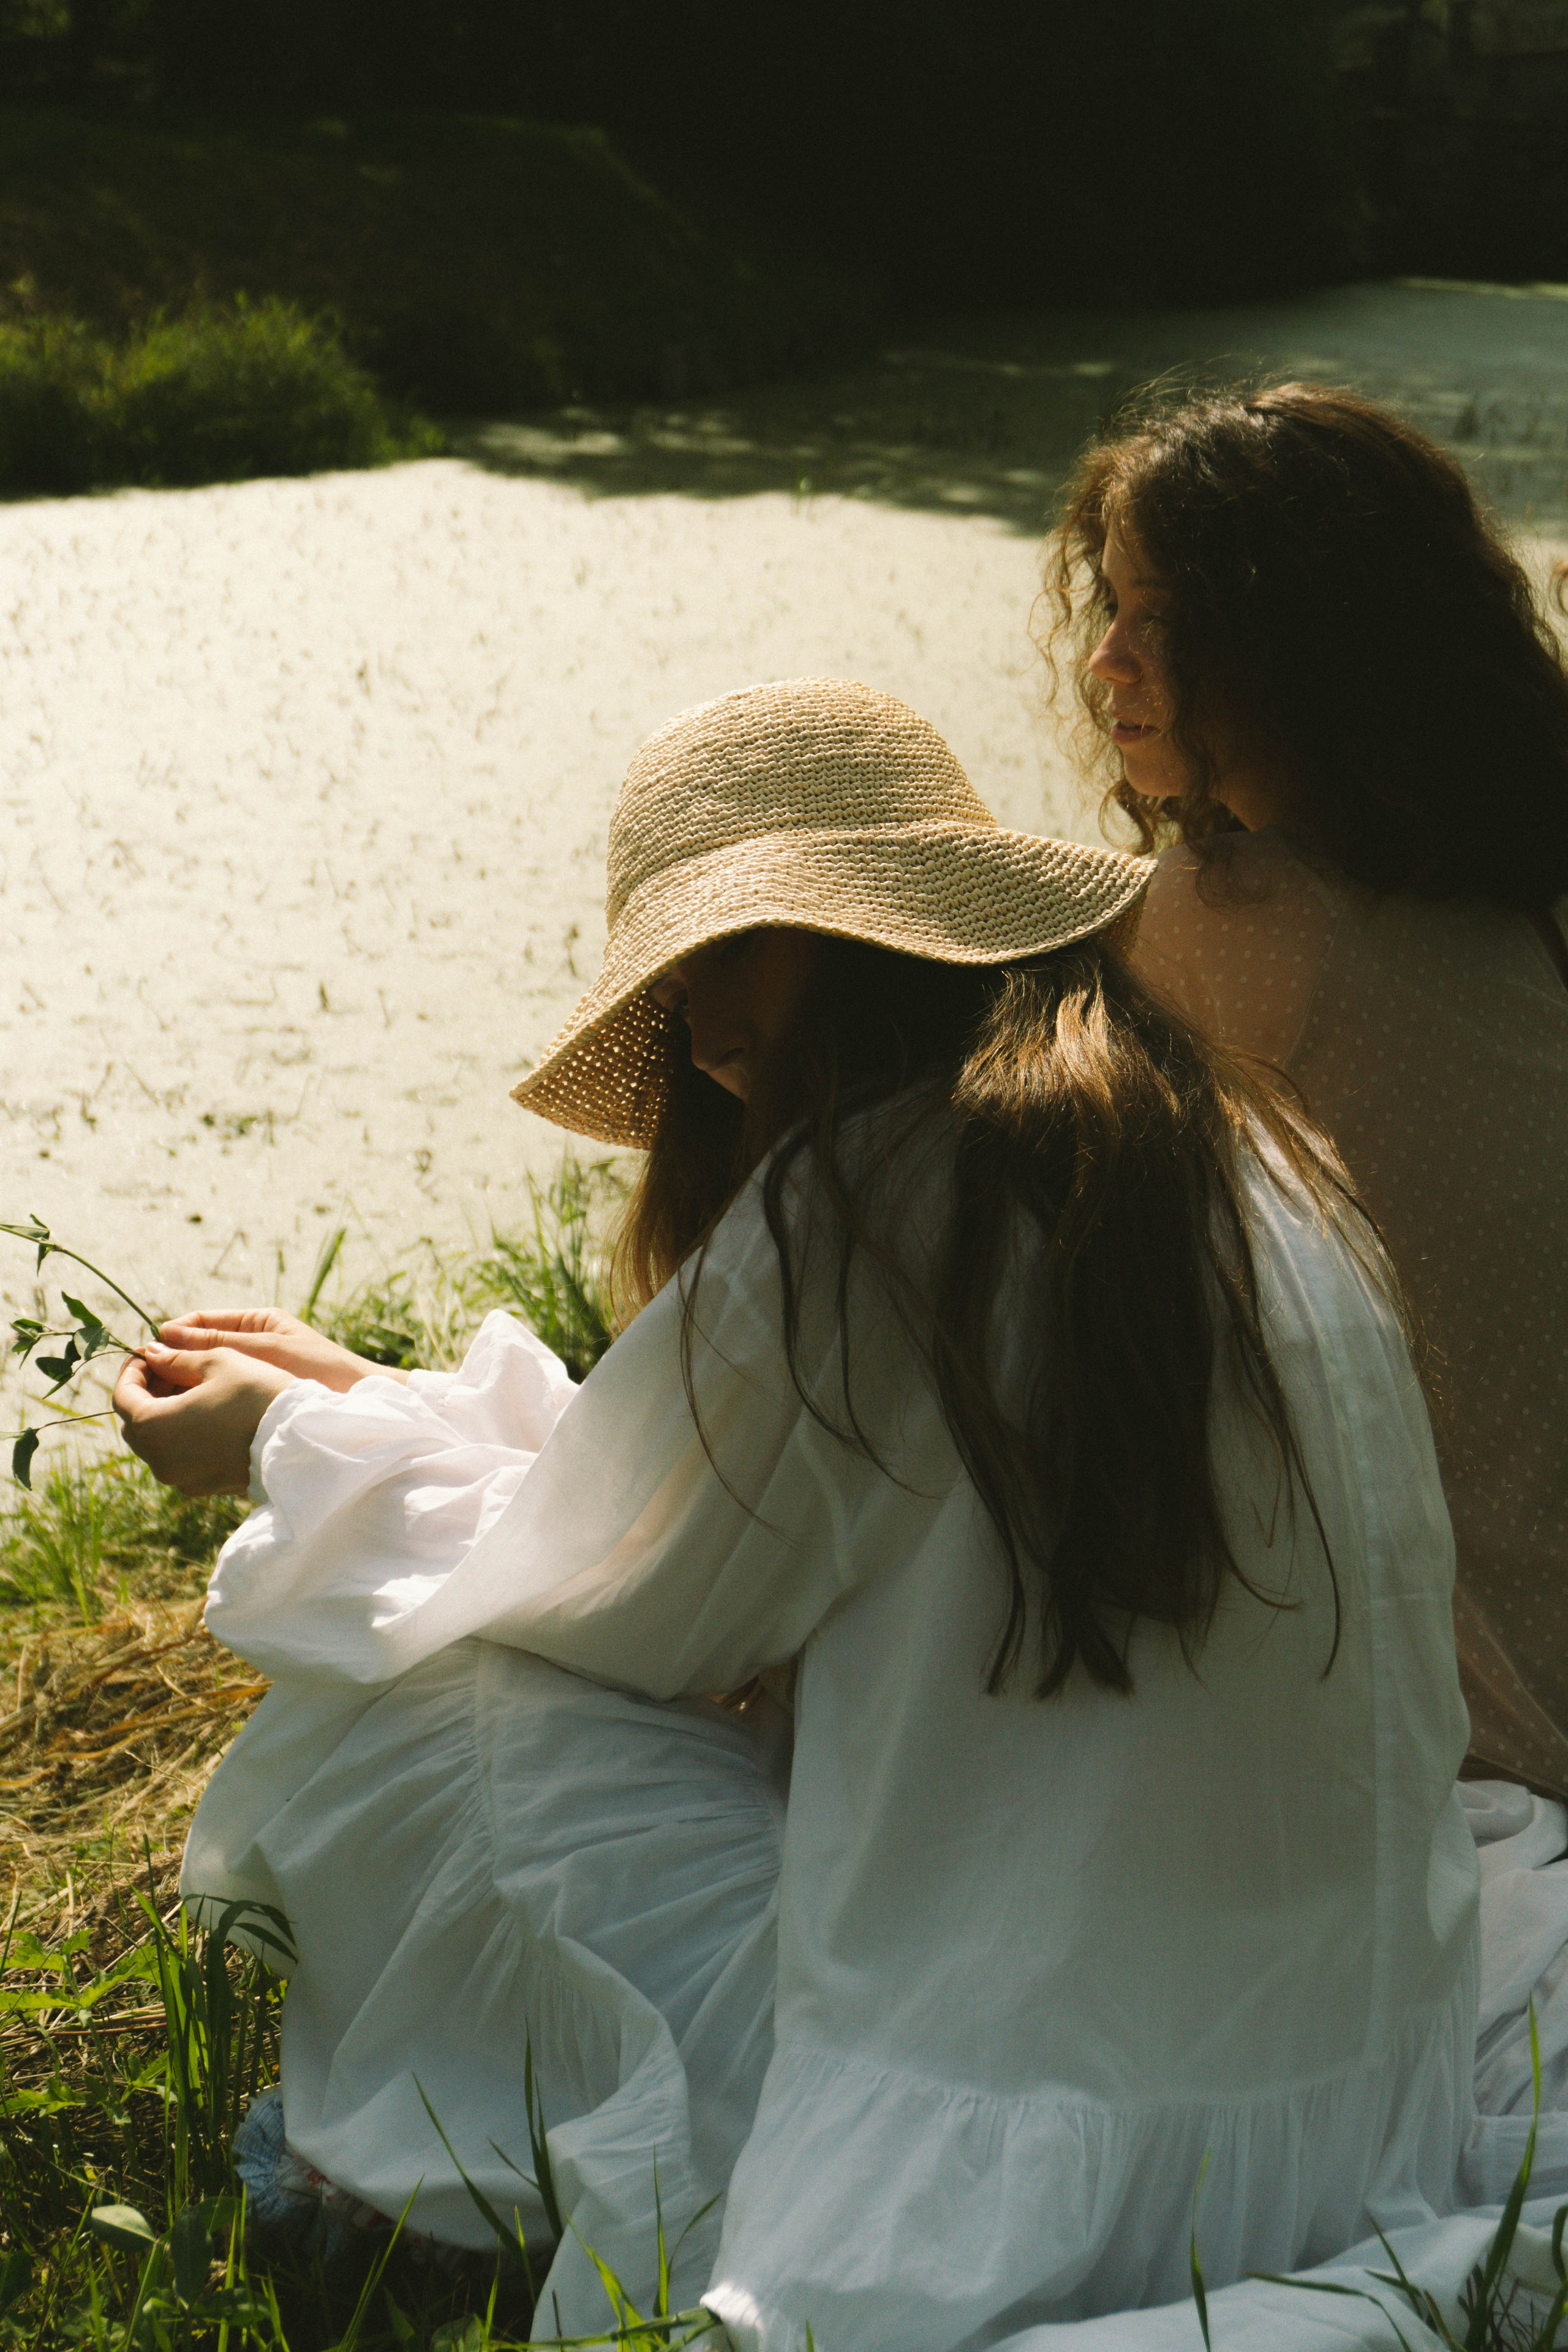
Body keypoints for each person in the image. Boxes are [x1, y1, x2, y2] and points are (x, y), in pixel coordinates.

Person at [116, 678, 1479, 2352]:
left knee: (441, 1702)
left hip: (1024, 2141)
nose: (697, 1036)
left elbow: (597, 1595)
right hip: (1340, 2114)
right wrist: (373, 1410)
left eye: (726, 958)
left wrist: (296, 1451)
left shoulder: (882, 1207)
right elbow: (697, 1515)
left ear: (866, 935)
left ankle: (392, 2189)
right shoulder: (1257, 1159)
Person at [1042, 382, 1568, 1807]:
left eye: (1154, 619)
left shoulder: (1252, 919)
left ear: (1289, 643)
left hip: (1465, 1721)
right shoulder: (1527, 903)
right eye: (1107, 605)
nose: (1104, 662)